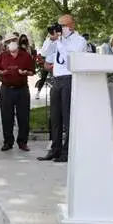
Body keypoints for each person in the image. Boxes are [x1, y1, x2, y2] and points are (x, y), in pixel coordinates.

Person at [38, 14, 88, 163]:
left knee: (67, 117)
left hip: (70, 78)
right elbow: (45, 53)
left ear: (72, 26)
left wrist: (60, 41)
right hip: (57, 79)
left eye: (63, 25)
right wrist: (50, 39)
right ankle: (55, 149)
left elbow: (70, 58)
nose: (60, 28)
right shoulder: (57, 40)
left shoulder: (79, 41)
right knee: (55, 117)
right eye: (59, 25)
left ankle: (67, 151)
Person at [0, 34, 34, 152]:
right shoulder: (2, 56)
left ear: (17, 41)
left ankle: (22, 142)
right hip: (6, 89)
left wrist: (26, 72)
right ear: (5, 44)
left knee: (23, 117)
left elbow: (32, 72)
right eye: (9, 41)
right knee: (6, 117)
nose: (11, 42)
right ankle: (8, 142)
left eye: (13, 40)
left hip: (22, 89)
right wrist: (1, 72)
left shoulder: (25, 55)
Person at [34, 27, 59, 100]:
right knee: (43, 78)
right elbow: (43, 53)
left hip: (55, 64)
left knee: (55, 79)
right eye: (51, 33)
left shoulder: (59, 41)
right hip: (47, 62)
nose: (52, 34)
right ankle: (38, 92)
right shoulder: (47, 41)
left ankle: (54, 95)